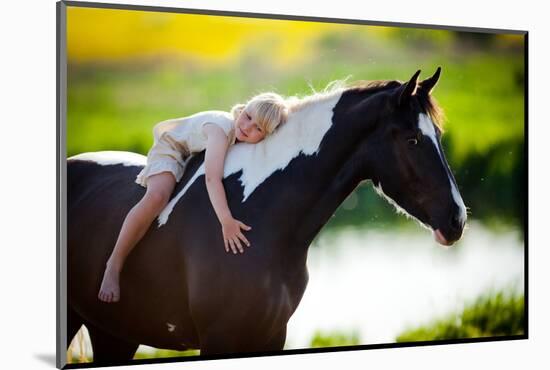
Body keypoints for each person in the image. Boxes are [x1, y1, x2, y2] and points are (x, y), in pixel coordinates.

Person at [97, 92, 289, 303]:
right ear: (242, 110)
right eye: (248, 117)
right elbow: (212, 179)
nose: (248, 127)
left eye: (258, 129)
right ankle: (113, 265)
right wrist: (226, 220)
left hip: (192, 157)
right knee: (157, 197)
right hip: (173, 150)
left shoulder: (239, 134)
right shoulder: (221, 130)